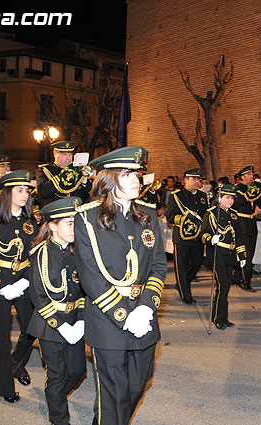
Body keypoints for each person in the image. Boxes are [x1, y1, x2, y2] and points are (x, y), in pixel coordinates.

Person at [74, 146, 166, 425]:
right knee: (113, 393)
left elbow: (159, 267)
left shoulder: (148, 214)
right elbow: (90, 276)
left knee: (138, 384)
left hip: (143, 315)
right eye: (127, 175)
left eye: (137, 174)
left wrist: (145, 309)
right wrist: (125, 316)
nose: (136, 180)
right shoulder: (87, 218)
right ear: (110, 179)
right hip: (108, 318)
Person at [0, 170, 38, 402]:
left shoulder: (29, 221)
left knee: (32, 328)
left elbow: (33, 253)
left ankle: (15, 365)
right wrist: (3, 287)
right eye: (20, 191)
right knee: (2, 335)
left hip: (23, 280)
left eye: (27, 191)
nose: (25, 195)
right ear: (7, 193)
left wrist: (24, 280)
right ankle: (4, 386)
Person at [27, 197, 86, 425]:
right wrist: (60, 325)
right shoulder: (41, 254)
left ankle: (55, 396)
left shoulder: (77, 251)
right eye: (69, 223)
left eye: (75, 223)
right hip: (50, 324)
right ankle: (59, 419)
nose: (74, 228)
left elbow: (83, 291)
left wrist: (80, 321)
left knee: (78, 370)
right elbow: (39, 297)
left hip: (74, 319)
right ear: (52, 226)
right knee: (57, 374)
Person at [200, 184, 246, 329]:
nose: (230, 201)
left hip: (231, 255)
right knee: (223, 286)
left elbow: (239, 237)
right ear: (219, 198)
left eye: (232, 198)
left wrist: (242, 255)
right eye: (227, 197)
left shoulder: (234, 214)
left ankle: (223, 318)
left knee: (225, 288)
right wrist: (210, 239)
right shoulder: (211, 213)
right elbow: (203, 233)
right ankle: (218, 318)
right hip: (218, 254)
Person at [166, 168, 209, 304]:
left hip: (197, 237)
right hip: (182, 237)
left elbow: (205, 214)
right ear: (186, 180)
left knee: (197, 263)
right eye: (194, 179)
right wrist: (185, 220)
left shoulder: (203, 196)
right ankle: (186, 294)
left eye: (198, 179)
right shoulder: (176, 196)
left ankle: (182, 283)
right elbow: (170, 217)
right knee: (181, 266)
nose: (197, 182)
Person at [232, 165, 261, 292]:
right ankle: (245, 281)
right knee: (245, 254)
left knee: (250, 254)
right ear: (243, 177)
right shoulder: (238, 189)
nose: (252, 177)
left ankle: (237, 277)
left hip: (252, 224)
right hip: (241, 224)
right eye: (249, 175)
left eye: (252, 174)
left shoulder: (253, 190)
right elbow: (240, 202)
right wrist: (253, 191)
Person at [36, 141, 91, 208]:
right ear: (55, 154)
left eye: (70, 154)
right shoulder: (45, 170)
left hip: (75, 211)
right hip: (55, 212)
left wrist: (84, 177)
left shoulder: (77, 171)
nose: (68, 157)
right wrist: (62, 176)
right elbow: (43, 192)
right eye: (64, 154)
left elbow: (88, 193)